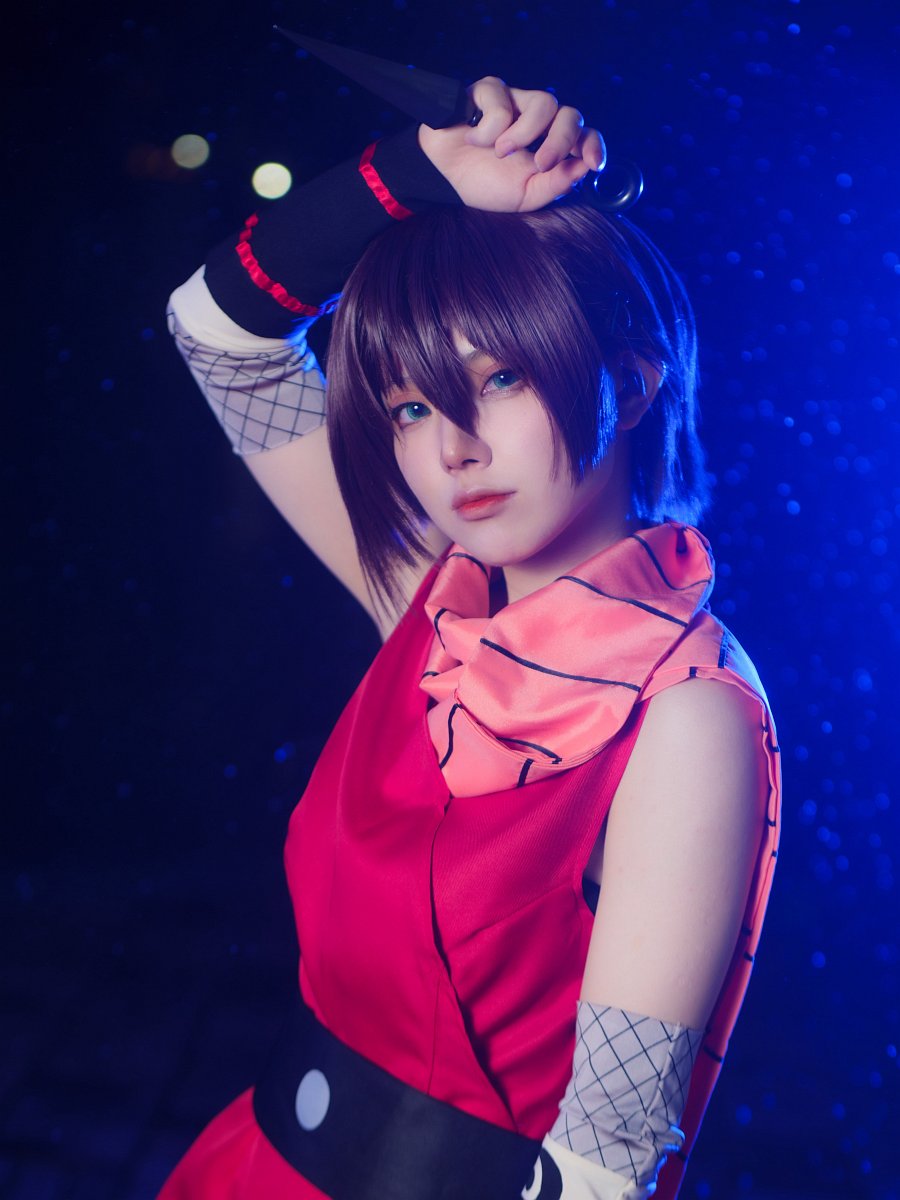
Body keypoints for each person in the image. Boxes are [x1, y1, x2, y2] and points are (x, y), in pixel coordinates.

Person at [161, 75, 780, 1200]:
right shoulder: (431, 601)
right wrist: (422, 172)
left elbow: (604, 1162)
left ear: (633, 380)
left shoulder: (687, 716)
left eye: (500, 378)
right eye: (409, 406)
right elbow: (219, 332)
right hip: (248, 1169)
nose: (453, 448)